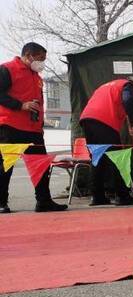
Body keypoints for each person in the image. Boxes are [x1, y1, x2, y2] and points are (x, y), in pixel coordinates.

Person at [0, 42, 68, 213]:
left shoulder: (36, 77)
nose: (42, 63)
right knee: (5, 166)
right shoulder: (7, 69)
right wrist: (20, 105)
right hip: (10, 125)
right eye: (40, 59)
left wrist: (40, 124)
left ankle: (43, 201)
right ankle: (1, 202)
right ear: (29, 55)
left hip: (33, 129)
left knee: (41, 165)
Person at [79, 77, 133, 206]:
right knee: (117, 158)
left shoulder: (106, 86)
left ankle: (97, 196)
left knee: (97, 159)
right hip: (105, 122)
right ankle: (122, 196)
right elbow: (128, 101)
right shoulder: (127, 85)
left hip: (87, 120)